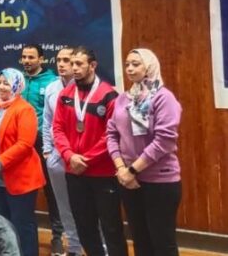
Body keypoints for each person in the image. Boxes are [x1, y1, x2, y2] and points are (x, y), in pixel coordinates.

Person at [53, 46, 127, 256]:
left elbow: (112, 134)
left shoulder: (109, 95)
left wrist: (86, 159)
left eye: (79, 64)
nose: (74, 68)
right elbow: (57, 128)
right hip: (74, 172)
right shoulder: (65, 95)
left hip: (102, 173)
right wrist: (69, 156)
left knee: (111, 228)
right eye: (72, 63)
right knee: (84, 227)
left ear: (92, 65)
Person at [108, 48, 182, 256]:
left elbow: (164, 141)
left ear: (149, 66)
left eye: (136, 64)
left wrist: (132, 170)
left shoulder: (163, 97)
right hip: (128, 180)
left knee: (162, 244)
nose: (130, 69)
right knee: (140, 242)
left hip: (160, 182)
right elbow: (111, 134)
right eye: (127, 64)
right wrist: (121, 168)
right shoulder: (123, 99)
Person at [0, 68, 45, 256]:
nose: (1, 87)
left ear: (17, 86)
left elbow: (24, 144)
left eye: (6, 83)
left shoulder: (25, 109)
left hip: (20, 178)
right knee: (3, 223)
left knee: (22, 224)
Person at [20, 43, 64, 255]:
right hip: (22, 144)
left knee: (52, 191)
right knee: (24, 190)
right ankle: (23, 234)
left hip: (44, 144)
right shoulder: (17, 80)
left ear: (41, 59)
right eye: (24, 57)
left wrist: (48, 146)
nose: (27, 61)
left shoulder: (53, 82)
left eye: (31, 57)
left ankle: (57, 236)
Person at [42, 47, 83, 256]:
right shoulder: (52, 88)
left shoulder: (85, 88)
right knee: (63, 206)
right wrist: (47, 150)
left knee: (86, 206)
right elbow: (47, 121)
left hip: (79, 157)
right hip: (57, 156)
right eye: (59, 60)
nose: (61, 64)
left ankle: (99, 248)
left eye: (67, 60)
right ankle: (74, 248)